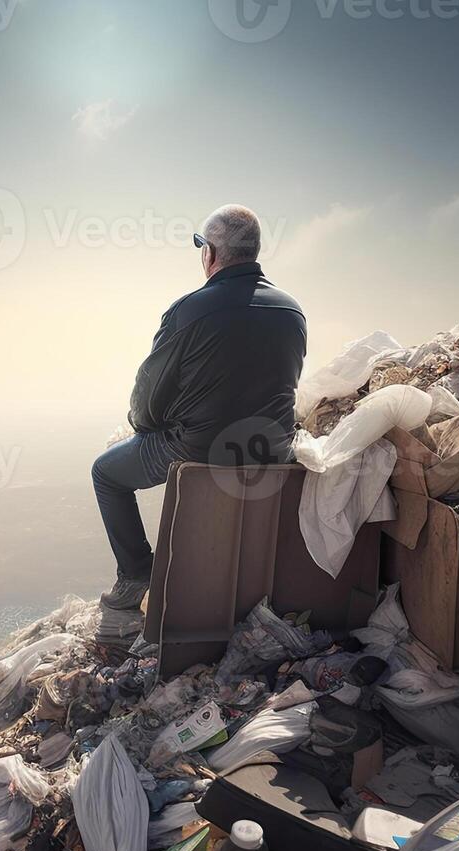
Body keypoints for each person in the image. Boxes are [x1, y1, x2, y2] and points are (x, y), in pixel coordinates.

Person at [93, 204, 307, 610]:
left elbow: (150, 396)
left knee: (105, 473)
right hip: (272, 450)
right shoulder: (291, 310)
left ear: (209, 253)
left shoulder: (189, 310)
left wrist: (145, 427)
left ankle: (136, 576)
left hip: (201, 450)